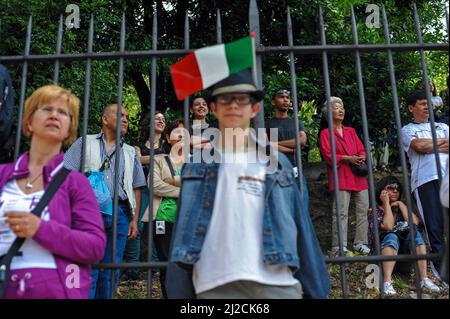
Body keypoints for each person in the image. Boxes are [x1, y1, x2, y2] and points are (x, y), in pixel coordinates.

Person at [166, 69, 330, 299]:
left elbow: (300, 224)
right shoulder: (196, 166)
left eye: (242, 99)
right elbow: (183, 227)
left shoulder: (278, 163)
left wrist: (316, 288)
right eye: (225, 99)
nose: (233, 105)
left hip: (277, 280)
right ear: (214, 108)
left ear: (255, 108)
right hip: (214, 283)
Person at [0, 84, 106, 298]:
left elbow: (94, 247)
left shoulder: (76, 183)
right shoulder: (2, 176)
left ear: (69, 129)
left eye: (63, 112)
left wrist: (40, 229)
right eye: (47, 109)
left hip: (56, 291)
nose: (55, 115)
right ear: (29, 122)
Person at [64, 103, 146, 299]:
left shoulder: (130, 151)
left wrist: (134, 219)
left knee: (111, 269)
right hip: (88, 213)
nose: (126, 119)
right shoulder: (85, 142)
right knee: (87, 265)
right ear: (105, 119)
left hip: (121, 214)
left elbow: (136, 186)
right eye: (120, 115)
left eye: (127, 115)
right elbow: (65, 175)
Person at [401, 90, 449, 281]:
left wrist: (429, 144)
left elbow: (424, 146)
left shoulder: (442, 126)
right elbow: (418, 147)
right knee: (435, 228)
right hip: (425, 181)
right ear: (411, 108)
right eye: (422, 104)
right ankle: (445, 277)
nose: (427, 107)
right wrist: (442, 143)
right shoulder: (407, 129)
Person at [368, 176, 440, 296]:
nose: (395, 191)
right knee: (392, 236)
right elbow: (389, 227)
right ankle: (387, 282)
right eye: (390, 188)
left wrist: (401, 204)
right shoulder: (373, 211)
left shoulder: (402, 209)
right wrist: (386, 204)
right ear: (382, 191)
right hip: (380, 258)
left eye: (397, 188)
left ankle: (424, 279)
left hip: (402, 258)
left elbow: (415, 223)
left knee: (415, 233)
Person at [319, 97, 370, 256]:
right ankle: (339, 246)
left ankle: (360, 243)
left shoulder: (351, 131)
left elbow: (362, 149)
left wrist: (361, 157)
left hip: (358, 176)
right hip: (341, 175)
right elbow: (328, 155)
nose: (341, 110)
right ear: (328, 112)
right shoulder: (325, 133)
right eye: (336, 107)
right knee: (341, 212)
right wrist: (349, 158)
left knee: (363, 210)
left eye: (342, 107)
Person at [123, 111, 166, 281]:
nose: (162, 121)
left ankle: (155, 268)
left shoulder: (168, 143)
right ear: (149, 123)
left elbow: (174, 159)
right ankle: (132, 268)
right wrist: (162, 157)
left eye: (164, 119)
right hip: (145, 190)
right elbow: (137, 160)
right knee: (137, 227)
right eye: (158, 119)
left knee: (159, 228)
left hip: (163, 190)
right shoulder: (137, 145)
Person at [150, 119, 186, 298]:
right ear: (167, 137)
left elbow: (203, 186)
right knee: (167, 265)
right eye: (176, 132)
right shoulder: (159, 160)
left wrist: (174, 181)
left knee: (188, 265)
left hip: (189, 219)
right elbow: (155, 185)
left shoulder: (195, 162)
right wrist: (184, 191)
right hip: (164, 218)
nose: (181, 135)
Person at [266, 89, 308, 172]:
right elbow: (264, 146)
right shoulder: (265, 124)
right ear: (273, 102)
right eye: (281, 97)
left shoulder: (297, 123)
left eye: (287, 98)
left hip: (295, 168)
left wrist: (274, 144)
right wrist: (292, 150)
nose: (285, 100)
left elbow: (302, 141)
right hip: (274, 170)